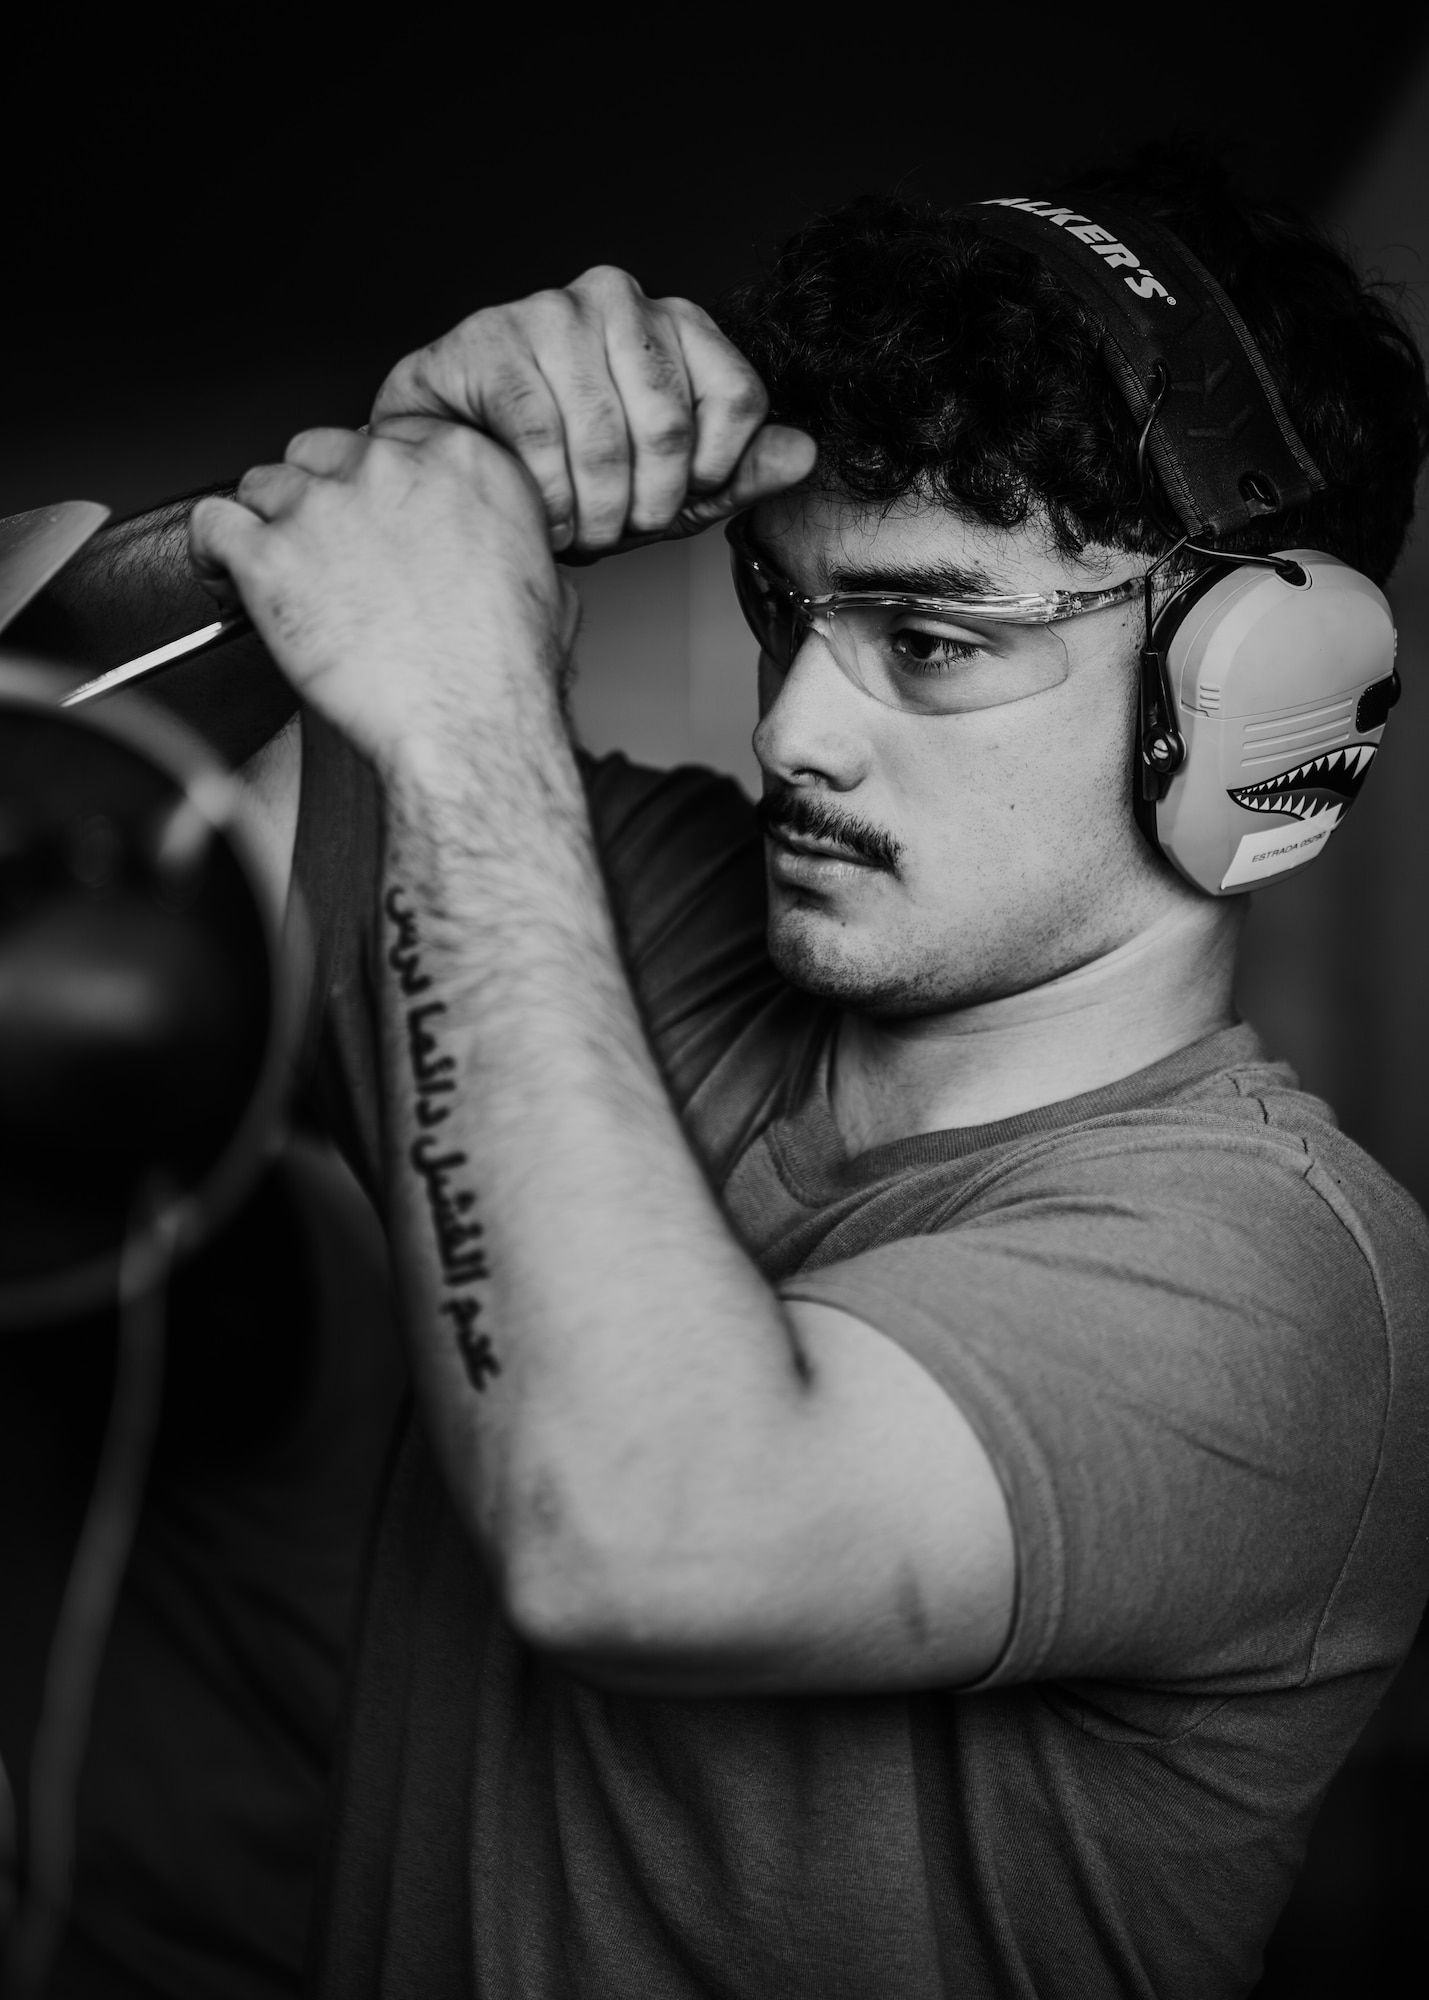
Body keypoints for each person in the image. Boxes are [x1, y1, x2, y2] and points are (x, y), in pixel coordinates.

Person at [25, 150, 1429, 1997]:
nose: (791, 732)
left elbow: (637, 1530)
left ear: (1254, 708)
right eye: (785, 609)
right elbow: (45, 762)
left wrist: (458, 719)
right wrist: (357, 506)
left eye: (929, 642)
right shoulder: (636, 916)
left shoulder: (1287, 1282)